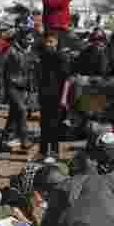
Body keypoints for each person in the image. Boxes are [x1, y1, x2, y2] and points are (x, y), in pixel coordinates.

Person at [0, 28, 32, 153]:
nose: (30, 41)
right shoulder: (10, 50)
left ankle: (3, 142)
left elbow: (30, 71)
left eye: (31, 39)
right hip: (11, 86)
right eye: (27, 39)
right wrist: (1, 86)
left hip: (23, 86)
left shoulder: (29, 52)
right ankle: (24, 139)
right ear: (21, 39)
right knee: (22, 110)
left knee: (13, 115)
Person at [37, 31, 69, 159]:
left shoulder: (61, 57)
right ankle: (43, 152)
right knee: (44, 124)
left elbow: (67, 79)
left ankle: (54, 153)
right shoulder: (43, 56)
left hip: (57, 96)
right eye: (47, 41)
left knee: (55, 125)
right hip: (44, 95)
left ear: (56, 42)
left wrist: (64, 98)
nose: (48, 44)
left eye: (51, 41)